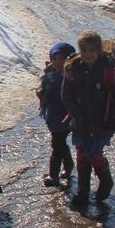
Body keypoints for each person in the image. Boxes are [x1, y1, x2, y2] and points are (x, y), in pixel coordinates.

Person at [61, 31, 115, 210]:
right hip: (80, 123)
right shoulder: (73, 68)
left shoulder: (108, 71)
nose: (88, 54)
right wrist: (75, 114)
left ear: (99, 50)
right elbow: (65, 94)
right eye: (84, 50)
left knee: (94, 154)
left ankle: (105, 181)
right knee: (82, 156)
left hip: (101, 123)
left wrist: (113, 119)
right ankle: (82, 192)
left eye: (92, 50)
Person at [37, 41, 76, 187]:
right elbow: (44, 91)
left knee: (57, 144)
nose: (58, 62)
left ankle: (53, 175)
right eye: (55, 59)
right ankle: (69, 165)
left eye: (62, 59)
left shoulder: (72, 76)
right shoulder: (50, 75)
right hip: (52, 114)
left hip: (66, 116)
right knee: (59, 143)